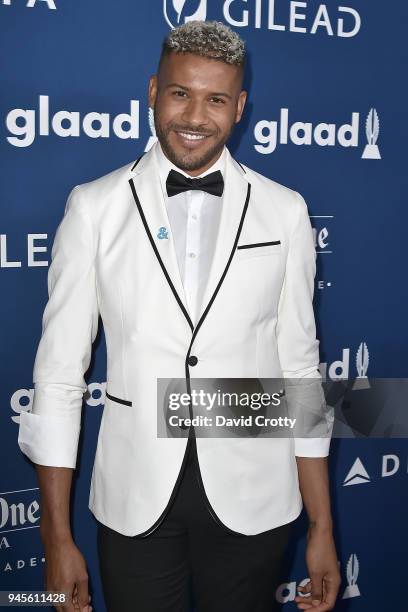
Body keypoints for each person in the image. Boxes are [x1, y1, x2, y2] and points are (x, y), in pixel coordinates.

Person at [18, 20, 340, 612]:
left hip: (256, 493)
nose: (195, 116)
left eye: (216, 98)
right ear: (151, 91)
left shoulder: (284, 212)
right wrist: (55, 538)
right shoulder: (93, 208)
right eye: (179, 93)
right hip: (134, 495)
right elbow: (59, 377)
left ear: (240, 107)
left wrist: (322, 528)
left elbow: (300, 373)